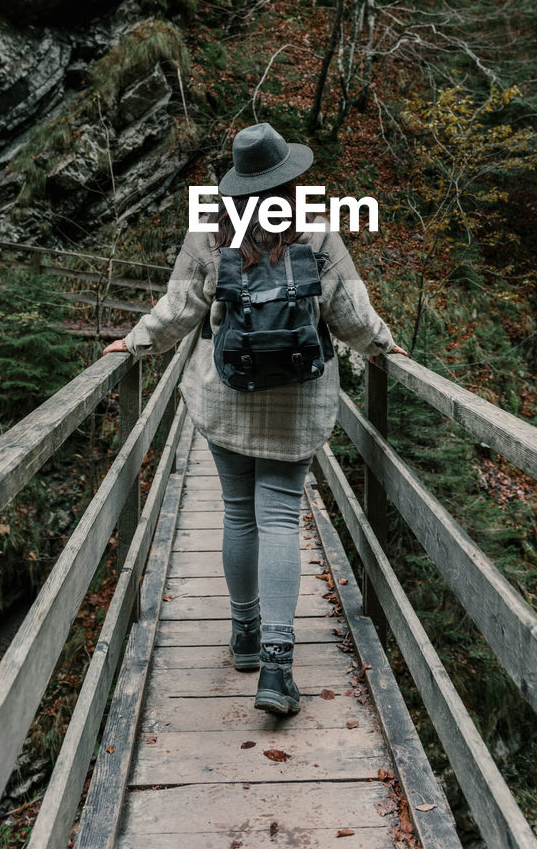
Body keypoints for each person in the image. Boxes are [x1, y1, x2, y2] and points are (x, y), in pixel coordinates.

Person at [104, 122, 407, 715]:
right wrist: (384, 345)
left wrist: (134, 343)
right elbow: (350, 313)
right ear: (290, 177)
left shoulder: (208, 231)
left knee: (238, 513)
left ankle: (244, 635)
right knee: (279, 519)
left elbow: (179, 309)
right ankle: (276, 668)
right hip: (296, 404)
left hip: (226, 397)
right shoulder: (317, 231)